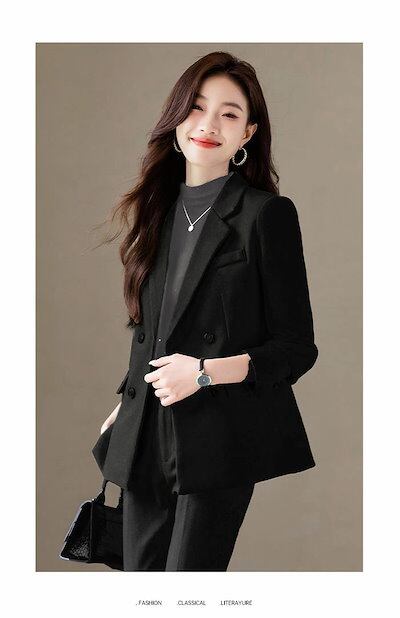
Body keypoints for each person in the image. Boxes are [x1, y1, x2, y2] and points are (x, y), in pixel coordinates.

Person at [93, 51, 319, 571]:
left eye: (229, 113)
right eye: (196, 107)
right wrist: (127, 404)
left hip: (218, 435)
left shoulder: (267, 216)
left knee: (189, 590)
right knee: (141, 588)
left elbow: (296, 349)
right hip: (145, 426)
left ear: (248, 134)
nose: (209, 124)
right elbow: (154, 329)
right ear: (176, 119)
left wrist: (202, 373)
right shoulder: (157, 213)